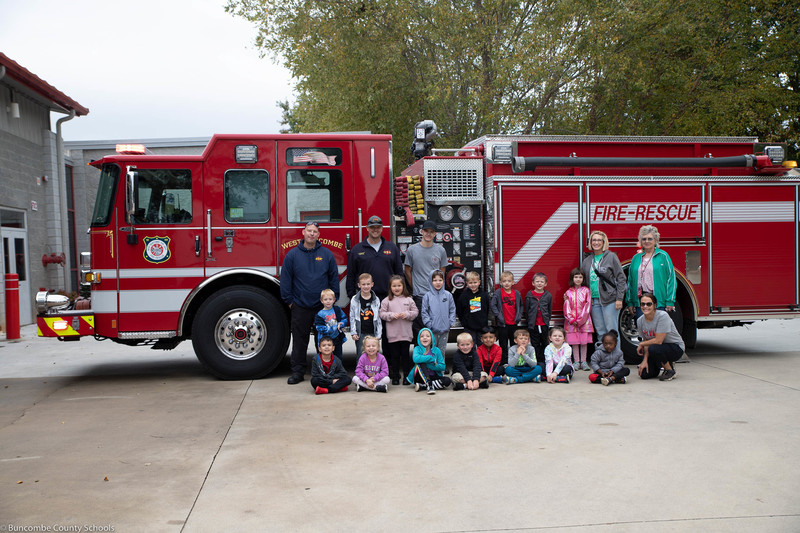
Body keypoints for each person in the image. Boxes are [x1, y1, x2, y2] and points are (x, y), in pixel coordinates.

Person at [281, 222, 339, 385]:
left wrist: (332, 300)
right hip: (300, 305)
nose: (312, 234)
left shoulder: (326, 254)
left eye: (315, 232)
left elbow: (333, 277)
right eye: (309, 231)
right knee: (299, 340)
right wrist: (290, 301)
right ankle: (298, 372)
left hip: (323, 308)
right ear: (303, 233)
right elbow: (286, 280)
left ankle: (323, 371)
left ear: (318, 235)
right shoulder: (292, 255)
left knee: (323, 340)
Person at [404, 219, 449, 338]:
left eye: (431, 232)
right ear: (421, 232)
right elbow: (407, 270)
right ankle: (421, 355)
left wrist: (438, 289)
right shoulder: (412, 250)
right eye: (426, 231)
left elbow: (442, 271)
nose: (428, 234)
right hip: (419, 296)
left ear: (435, 234)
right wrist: (414, 287)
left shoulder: (440, 250)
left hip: (436, 296)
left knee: (435, 326)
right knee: (420, 328)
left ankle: (434, 354)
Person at [580, 231, 627, 339]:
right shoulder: (587, 261)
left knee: (612, 331)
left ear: (603, 242)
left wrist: (619, 298)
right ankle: (603, 356)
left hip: (610, 300)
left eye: (599, 240)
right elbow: (584, 282)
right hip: (594, 301)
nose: (596, 242)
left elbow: (621, 278)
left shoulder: (611, 257)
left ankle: (616, 356)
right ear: (591, 243)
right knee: (600, 332)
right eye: (594, 240)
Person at [345, 215, 403, 301]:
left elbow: (399, 273)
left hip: (389, 297)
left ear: (382, 228)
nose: (375, 230)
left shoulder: (392, 248)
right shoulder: (357, 250)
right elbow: (351, 275)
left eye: (378, 227)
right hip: (365, 297)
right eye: (372, 227)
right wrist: (352, 296)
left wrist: (399, 294)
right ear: (367, 228)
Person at [626, 225, 677, 318]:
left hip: (658, 301)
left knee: (659, 330)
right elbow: (630, 281)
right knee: (644, 330)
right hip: (640, 302)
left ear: (655, 240)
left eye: (650, 239)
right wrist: (630, 302)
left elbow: (671, 279)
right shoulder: (636, 258)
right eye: (644, 239)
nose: (647, 241)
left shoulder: (663, 256)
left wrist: (670, 300)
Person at [379, 275, 418, 386]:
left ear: (403, 286)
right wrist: (391, 315)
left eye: (399, 285)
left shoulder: (408, 299)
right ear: (390, 287)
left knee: (405, 356)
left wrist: (407, 314)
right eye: (394, 286)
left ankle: (407, 376)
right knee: (394, 356)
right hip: (393, 335)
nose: (396, 288)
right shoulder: (387, 301)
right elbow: (381, 313)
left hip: (406, 334)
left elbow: (415, 312)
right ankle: (395, 376)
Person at [636, 293, 684, 381]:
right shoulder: (640, 321)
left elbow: (658, 341)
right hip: (657, 348)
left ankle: (669, 370)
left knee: (654, 348)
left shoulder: (663, 316)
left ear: (655, 305)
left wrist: (642, 343)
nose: (645, 306)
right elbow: (646, 340)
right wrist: (645, 360)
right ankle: (659, 364)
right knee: (645, 374)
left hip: (675, 347)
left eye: (649, 304)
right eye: (643, 304)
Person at [563, 268, 593, 371]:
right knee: (575, 342)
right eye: (576, 277)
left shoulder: (586, 291)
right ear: (572, 278)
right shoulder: (568, 292)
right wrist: (571, 319)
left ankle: (584, 361)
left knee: (583, 342)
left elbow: (587, 305)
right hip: (571, 323)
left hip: (584, 322)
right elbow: (566, 306)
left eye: (580, 277)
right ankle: (576, 361)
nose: (578, 279)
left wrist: (581, 320)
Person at [421, 269, 456, 358]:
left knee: (442, 351)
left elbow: (452, 310)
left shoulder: (448, 295)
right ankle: (432, 370)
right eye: (435, 280)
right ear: (430, 281)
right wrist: (429, 324)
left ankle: (440, 370)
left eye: (440, 280)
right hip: (432, 330)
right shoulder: (427, 296)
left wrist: (450, 322)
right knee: (432, 350)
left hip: (445, 329)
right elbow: (424, 312)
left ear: (443, 281)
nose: (438, 283)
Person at [490, 270, 523, 363]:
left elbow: (520, 305)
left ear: (513, 282)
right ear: (500, 283)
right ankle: (504, 362)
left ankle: (513, 361)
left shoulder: (516, 293)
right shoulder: (498, 293)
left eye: (509, 281)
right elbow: (493, 305)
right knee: (503, 344)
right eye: (504, 281)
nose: (506, 283)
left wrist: (519, 316)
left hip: (514, 323)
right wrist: (498, 316)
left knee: (514, 344)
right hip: (503, 324)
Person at [407, 328, 451, 394]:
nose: (425, 338)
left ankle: (423, 386)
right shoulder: (417, 349)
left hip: (433, 376)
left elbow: (442, 367)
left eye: (427, 336)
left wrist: (430, 366)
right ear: (419, 339)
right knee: (421, 362)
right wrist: (430, 358)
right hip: (420, 377)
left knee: (447, 381)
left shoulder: (437, 350)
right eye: (422, 336)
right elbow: (415, 359)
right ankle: (429, 385)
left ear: (432, 339)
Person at [349, 273, 382, 358]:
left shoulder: (376, 299)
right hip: (361, 333)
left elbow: (378, 318)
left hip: (373, 332)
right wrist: (353, 332)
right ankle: (360, 371)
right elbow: (352, 316)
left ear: (372, 284)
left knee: (374, 355)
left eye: (368, 284)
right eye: (363, 284)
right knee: (360, 355)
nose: (366, 286)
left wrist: (379, 334)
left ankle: (374, 371)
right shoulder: (355, 299)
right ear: (359, 285)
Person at [456, 271, 491, 345]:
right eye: (470, 283)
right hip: (469, 327)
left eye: (475, 282)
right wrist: (464, 322)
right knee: (470, 345)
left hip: (481, 326)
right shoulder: (463, 296)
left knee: (481, 346)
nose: (473, 285)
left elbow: (486, 309)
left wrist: (484, 321)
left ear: (479, 282)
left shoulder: (484, 295)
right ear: (467, 283)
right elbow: (460, 311)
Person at [525, 272, 552, 363]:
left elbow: (549, 309)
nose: (539, 283)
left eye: (541, 282)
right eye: (537, 281)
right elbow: (527, 309)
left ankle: (545, 361)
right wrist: (529, 322)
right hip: (533, 325)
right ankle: (537, 360)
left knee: (545, 342)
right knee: (535, 343)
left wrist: (547, 320)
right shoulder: (529, 295)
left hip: (544, 324)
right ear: (533, 283)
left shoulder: (548, 295)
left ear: (545, 284)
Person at [314, 289, 347, 361]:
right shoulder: (320, 314)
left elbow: (344, 319)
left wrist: (341, 324)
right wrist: (334, 328)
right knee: (326, 357)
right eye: (325, 299)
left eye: (330, 299)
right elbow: (319, 328)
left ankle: (338, 370)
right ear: (321, 301)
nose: (328, 301)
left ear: (334, 300)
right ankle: (326, 371)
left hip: (337, 338)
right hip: (326, 340)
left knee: (338, 357)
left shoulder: (337, 310)